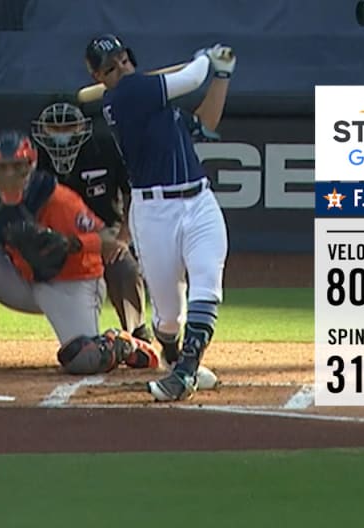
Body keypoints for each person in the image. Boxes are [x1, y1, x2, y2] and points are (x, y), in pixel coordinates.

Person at [0, 129, 159, 375]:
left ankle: (121, 343)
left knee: (84, 360)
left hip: (72, 283)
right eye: (2, 167)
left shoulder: (59, 199)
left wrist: (70, 243)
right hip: (25, 279)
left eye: (17, 166)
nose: (10, 174)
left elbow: (106, 240)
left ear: (31, 165)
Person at [83, 34, 234, 401]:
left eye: (123, 60)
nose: (121, 68)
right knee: (169, 317)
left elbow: (206, 124)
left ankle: (183, 373)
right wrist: (205, 57)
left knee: (206, 284)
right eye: (110, 67)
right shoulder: (125, 96)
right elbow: (190, 78)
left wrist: (222, 76)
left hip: (199, 202)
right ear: (99, 76)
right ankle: (175, 353)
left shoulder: (150, 98)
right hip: (154, 214)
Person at [31, 100, 221, 389]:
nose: (62, 134)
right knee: (83, 354)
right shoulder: (33, 158)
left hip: (104, 237)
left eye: (68, 125)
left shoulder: (105, 146)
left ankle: (137, 334)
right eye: (55, 127)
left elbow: (135, 191)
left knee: (125, 267)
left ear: (83, 126)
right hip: (59, 241)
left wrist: (122, 238)